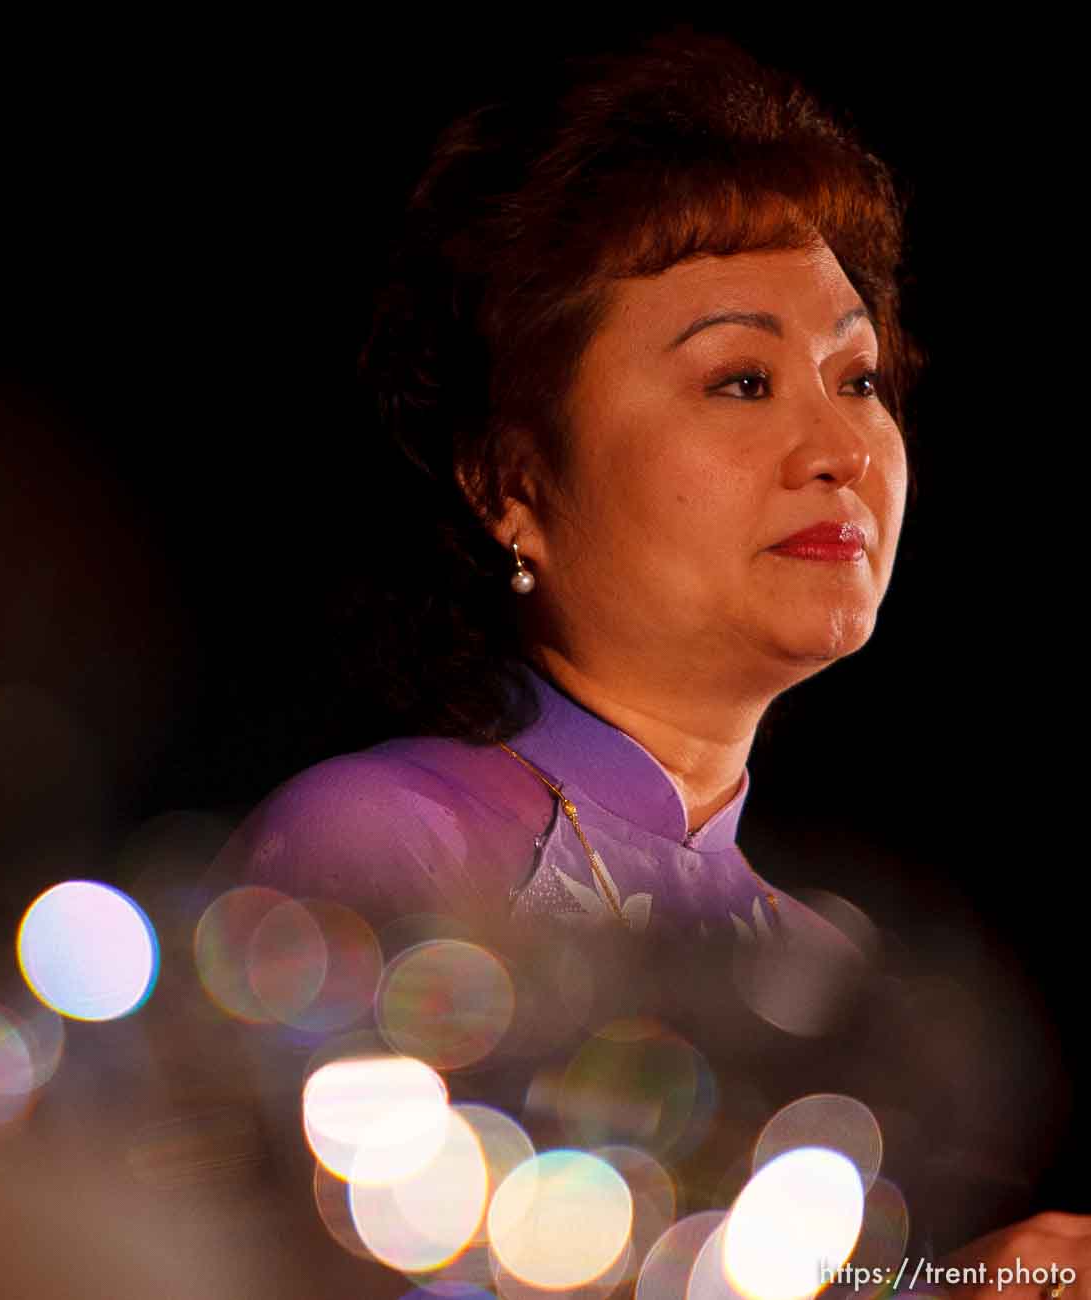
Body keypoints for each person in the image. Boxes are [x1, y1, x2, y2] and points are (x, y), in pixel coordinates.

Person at [207, 27, 1080, 1295]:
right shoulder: (387, 859)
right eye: (738, 379)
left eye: (858, 375)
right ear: (510, 479)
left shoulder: (821, 979)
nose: (836, 442)